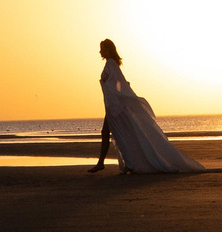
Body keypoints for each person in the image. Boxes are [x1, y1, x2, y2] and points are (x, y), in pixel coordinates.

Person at [86, 38, 206, 174]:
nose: (100, 51)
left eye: (102, 48)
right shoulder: (112, 64)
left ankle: (117, 164)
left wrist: (108, 84)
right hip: (113, 106)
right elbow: (121, 83)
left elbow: (118, 84)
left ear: (108, 49)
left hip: (115, 107)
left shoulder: (110, 64)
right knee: (114, 133)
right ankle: (117, 163)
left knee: (115, 133)